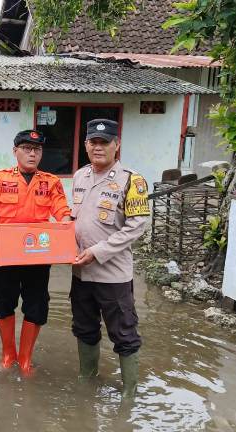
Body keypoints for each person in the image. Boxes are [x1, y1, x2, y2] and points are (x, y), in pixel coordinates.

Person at [0, 130, 71, 375]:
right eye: (27, 148)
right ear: (15, 151)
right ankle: (9, 354)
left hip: (38, 254)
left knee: (37, 304)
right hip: (6, 255)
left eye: (37, 149)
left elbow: (63, 213)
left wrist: (68, 235)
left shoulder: (51, 182)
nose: (32, 153)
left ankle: (26, 358)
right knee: (2, 301)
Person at [70, 119, 150, 398]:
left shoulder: (132, 180)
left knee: (124, 334)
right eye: (93, 142)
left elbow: (137, 226)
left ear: (117, 145)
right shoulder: (80, 176)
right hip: (81, 272)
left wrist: (98, 252)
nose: (98, 147)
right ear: (85, 145)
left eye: (104, 142)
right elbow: (74, 219)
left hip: (113, 275)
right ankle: (86, 378)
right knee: (84, 327)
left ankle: (129, 393)